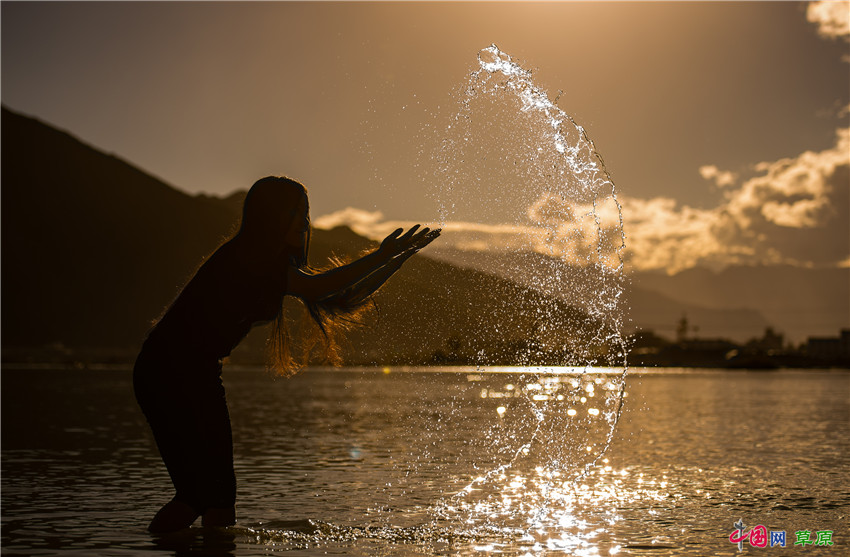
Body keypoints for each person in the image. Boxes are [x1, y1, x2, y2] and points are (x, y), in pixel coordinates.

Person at [133, 176, 440, 533]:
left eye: (306, 213)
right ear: (272, 216)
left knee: (218, 496)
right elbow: (319, 286)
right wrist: (381, 254)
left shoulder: (274, 264)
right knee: (200, 494)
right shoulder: (248, 256)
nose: (304, 221)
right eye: (297, 212)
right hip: (169, 371)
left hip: (196, 373)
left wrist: (395, 262)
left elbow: (337, 297)